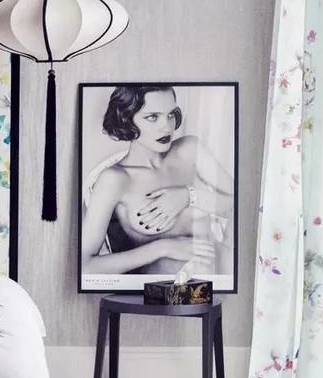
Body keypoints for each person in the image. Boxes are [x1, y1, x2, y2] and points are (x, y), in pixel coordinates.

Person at [82, 85, 234, 276]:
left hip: (220, 278)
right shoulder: (114, 179)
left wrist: (188, 196)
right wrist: (163, 248)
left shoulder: (190, 150)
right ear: (126, 120)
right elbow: (86, 267)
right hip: (161, 292)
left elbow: (243, 205)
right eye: (153, 117)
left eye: (171, 114)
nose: (167, 127)